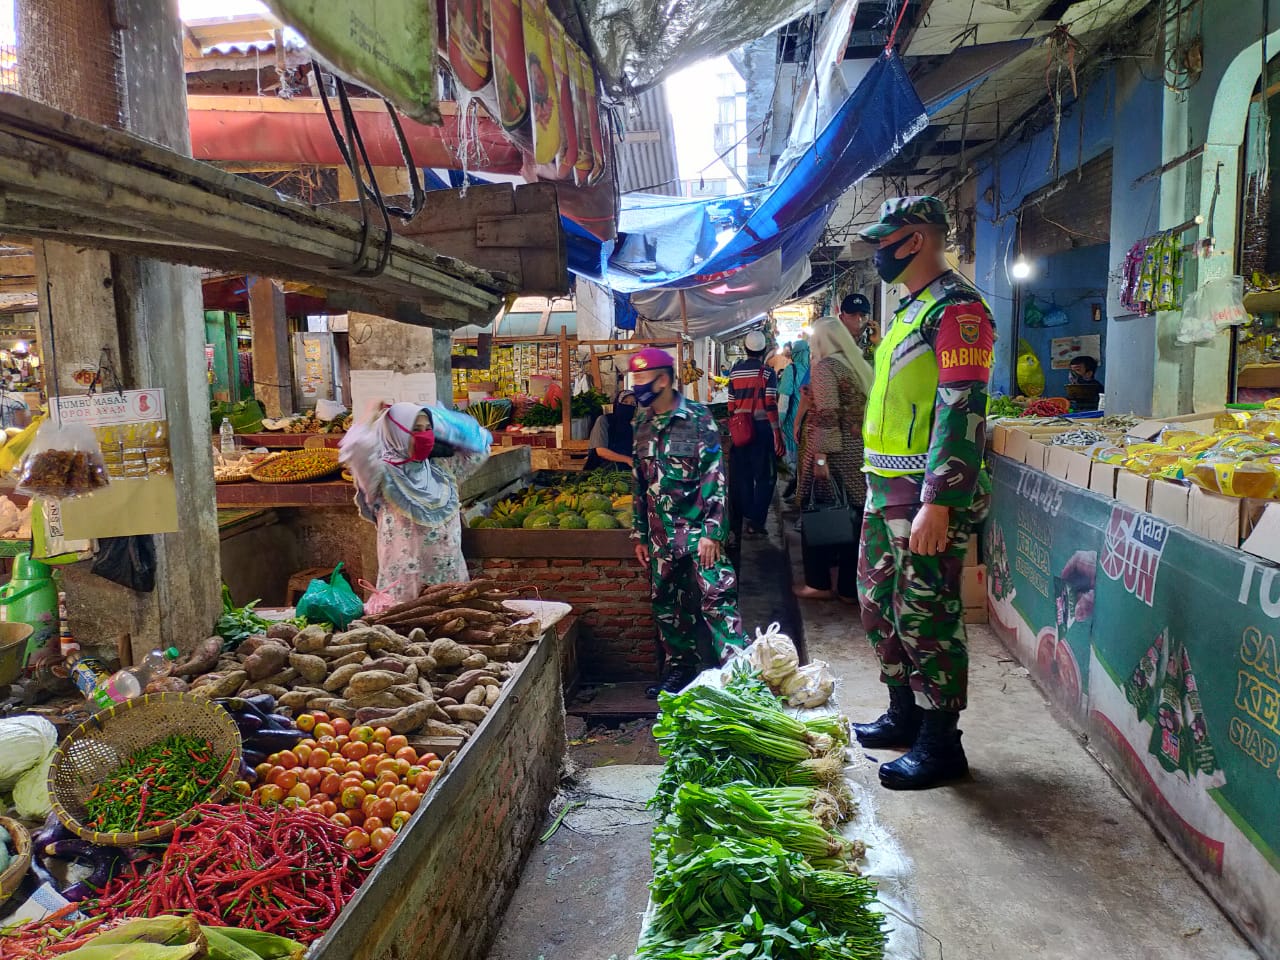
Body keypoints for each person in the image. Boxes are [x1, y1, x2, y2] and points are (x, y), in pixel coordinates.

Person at [853, 196, 995, 791]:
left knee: (927, 614)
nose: (880, 252)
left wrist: (939, 499)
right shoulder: (912, 310)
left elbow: (961, 409)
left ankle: (941, 744)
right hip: (885, 488)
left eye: (887, 240)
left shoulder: (959, 311)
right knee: (879, 602)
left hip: (925, 496)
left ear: (915, 240)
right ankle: (903, 713)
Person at [628, 347, 745, 696]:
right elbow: (638, 482)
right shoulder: (642, 424)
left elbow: (716, 478)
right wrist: (639, 533)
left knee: (717, 598)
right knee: (667, 604)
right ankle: (680, 669)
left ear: (663, 379)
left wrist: (713, 532)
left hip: (698, 533)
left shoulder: (698, 418)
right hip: (661, 535)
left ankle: (739, 676)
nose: (635, 386)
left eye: (641, 379)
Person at [341, 402, 490, 604]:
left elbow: (480, 444)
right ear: (396, 434)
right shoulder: (381, 475)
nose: (424, 436)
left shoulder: (442, 469)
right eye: (415, 430)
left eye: (428, 430)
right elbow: (356, 448)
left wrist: (440, 419)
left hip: (451, 586)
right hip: (405, 594)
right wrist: (369, 416)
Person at [795, 317, 872, 602]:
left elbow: (828, 414)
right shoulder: (857, 365)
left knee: (817, 510)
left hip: (836, 453)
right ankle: (850, 588)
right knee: (854, 515)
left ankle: (818, 582)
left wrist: (820, 459)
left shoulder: (826, 367)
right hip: (857, 450)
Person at [728, 330, 784, 537]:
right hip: (761, 429)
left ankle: (745, 518)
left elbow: (731, 406)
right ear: (763, 350)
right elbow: (770, 404)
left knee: (743, 476)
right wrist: (777, 432)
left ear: (745, 349)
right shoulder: (767, 373)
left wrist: (738, 422)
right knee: (765, 476)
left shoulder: (734, 373)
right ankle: (756, 520)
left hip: (741, 429)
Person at [584, 389, 637, 471]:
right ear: (617, 404)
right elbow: (600, 451)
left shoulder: (630, 427)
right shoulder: (604, 420)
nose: (628, 406)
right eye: (625, 402)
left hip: (622, 474)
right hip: (600, 471)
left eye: (633, 404)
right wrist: (627, 459)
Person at [779, 339, 810, 474]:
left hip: (793, 423)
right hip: (810, 424)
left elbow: (784, 401)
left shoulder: (791, 369)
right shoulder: (814, 369)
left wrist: (778, 425)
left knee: (792, 466)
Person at [839, 293, 878, 361]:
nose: (859, 319)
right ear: (841, 318)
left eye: (863, 315)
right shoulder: (832, 345)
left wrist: (878, 344)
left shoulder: (872, 344)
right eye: (853, 315)